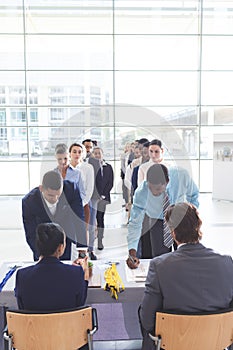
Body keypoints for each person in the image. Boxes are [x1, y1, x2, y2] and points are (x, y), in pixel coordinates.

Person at [138, 202, 233, 350]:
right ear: (198, 227)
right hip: (216, 343)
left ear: (173, 232)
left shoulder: (159, 266)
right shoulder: (227, 262)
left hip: (173, 344)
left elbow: (147, 321)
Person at [15, 222, 89, 350]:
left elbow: (22, 307)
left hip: (33, 340)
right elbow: (79, 304)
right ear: (60, 248)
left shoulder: (22, 276)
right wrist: (85, 276)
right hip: (68, 340)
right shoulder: (75, 273)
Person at [22, 170, 86, 261]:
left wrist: (82, 249)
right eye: (51, 195)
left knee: (64, 269)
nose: (55, 199)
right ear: (41, 188)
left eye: (58, 195)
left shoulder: (72, 190)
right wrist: (39, 254)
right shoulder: (29, 201)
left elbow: (79, 219)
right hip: (42, 242)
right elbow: (30, 232)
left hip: (64, 240)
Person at [127, 163, 172, 268]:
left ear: (167, 182)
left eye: (157, 190)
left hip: (179, 217)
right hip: (157, 220)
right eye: (151, 188)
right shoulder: (141, 192)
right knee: (160, 258)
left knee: (183, 255)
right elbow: (135, 223)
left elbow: (193, 194)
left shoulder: (178, 184)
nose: (153, 192)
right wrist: (132, 253)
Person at [69, 143, 95, 259]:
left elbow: (89, 189)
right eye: (74, 151)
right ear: (70, 153)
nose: (77, 154)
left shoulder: (88, 168)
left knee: (82, 232)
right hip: (66, 206)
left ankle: (83, 257)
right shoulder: (65, 167)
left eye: (79, 152)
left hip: (82, 205)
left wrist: (79, 204)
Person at [92, 146, 114, 250]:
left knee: (100, 219)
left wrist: (103, 195)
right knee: (92, 221)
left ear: (102, 154)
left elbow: (110, 183)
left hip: (103, 198)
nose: (97, 155)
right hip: (93, 198)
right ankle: (91, 242)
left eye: (99, 153)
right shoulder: (90, 167)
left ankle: (100, 241)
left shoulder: (108, 167)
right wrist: (96, 195)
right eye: (95, 153)